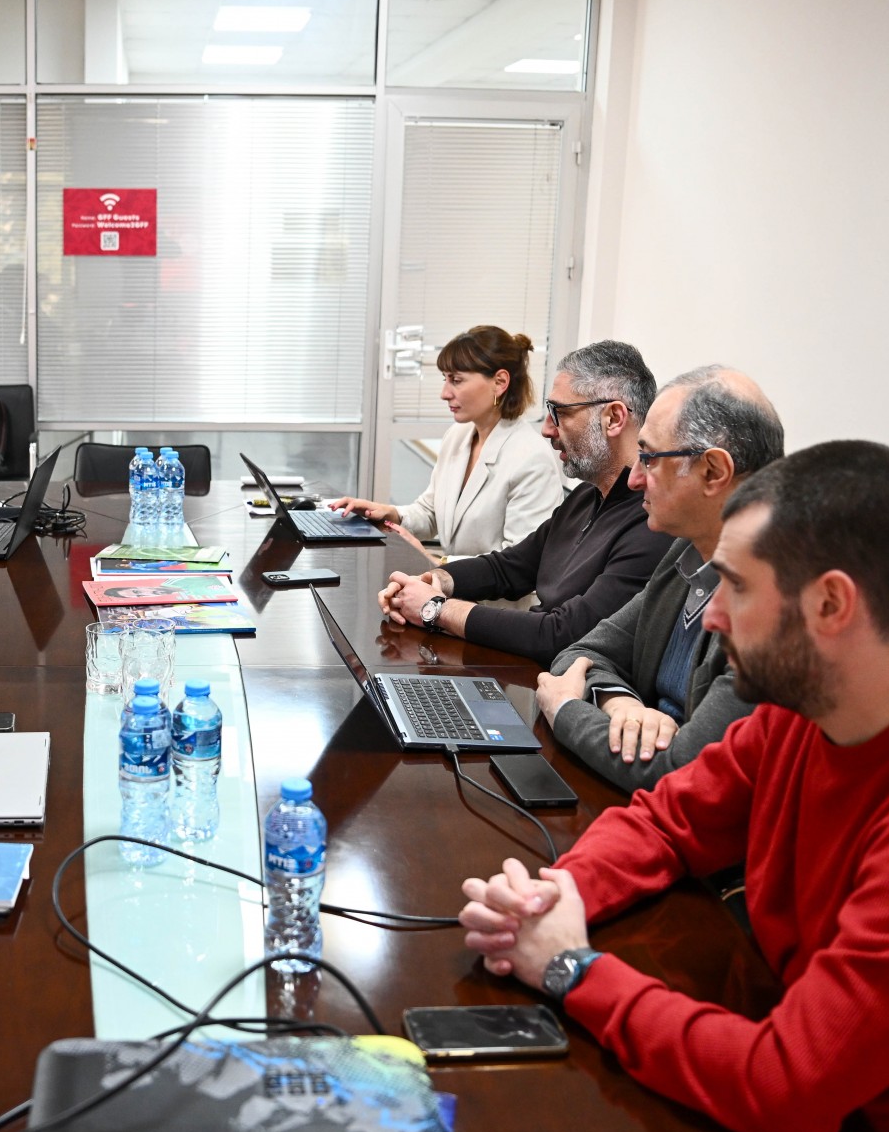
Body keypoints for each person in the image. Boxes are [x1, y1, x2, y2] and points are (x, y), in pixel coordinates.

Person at [457, 441, 889, 1132]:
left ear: (830, 605)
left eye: (734, 585)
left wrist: (571, 968)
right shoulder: (810, 706)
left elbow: (788, 1086)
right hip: (811, 1109)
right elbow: (668, 820)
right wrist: (556, 897)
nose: (711, 614)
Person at [533, 367, 783, 790]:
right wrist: (622, 705)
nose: (634, 478)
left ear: (713, 472)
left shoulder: (773, 607)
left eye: (649, 458)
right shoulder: (686, 552)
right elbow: (582, 652)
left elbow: (681, 772)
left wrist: (566, 710)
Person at [378, 340, 673, 666]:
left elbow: (562, 634)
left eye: (560, 413)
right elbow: (509, 567)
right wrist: (434, 580)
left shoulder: (652, 523)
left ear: (614, 418)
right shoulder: (585, 497)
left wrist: (436, 608)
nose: (547, 429)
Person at [329, 326, 561, 561]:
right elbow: (431, 512)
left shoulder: (531, 459)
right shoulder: (457, 435)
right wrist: (389, 514)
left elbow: (520, 562)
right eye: (445, 379)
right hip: (452, 580)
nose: (444, 393)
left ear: (500, 382)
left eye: (456, 380)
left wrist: (439, 562)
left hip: (486, 587)